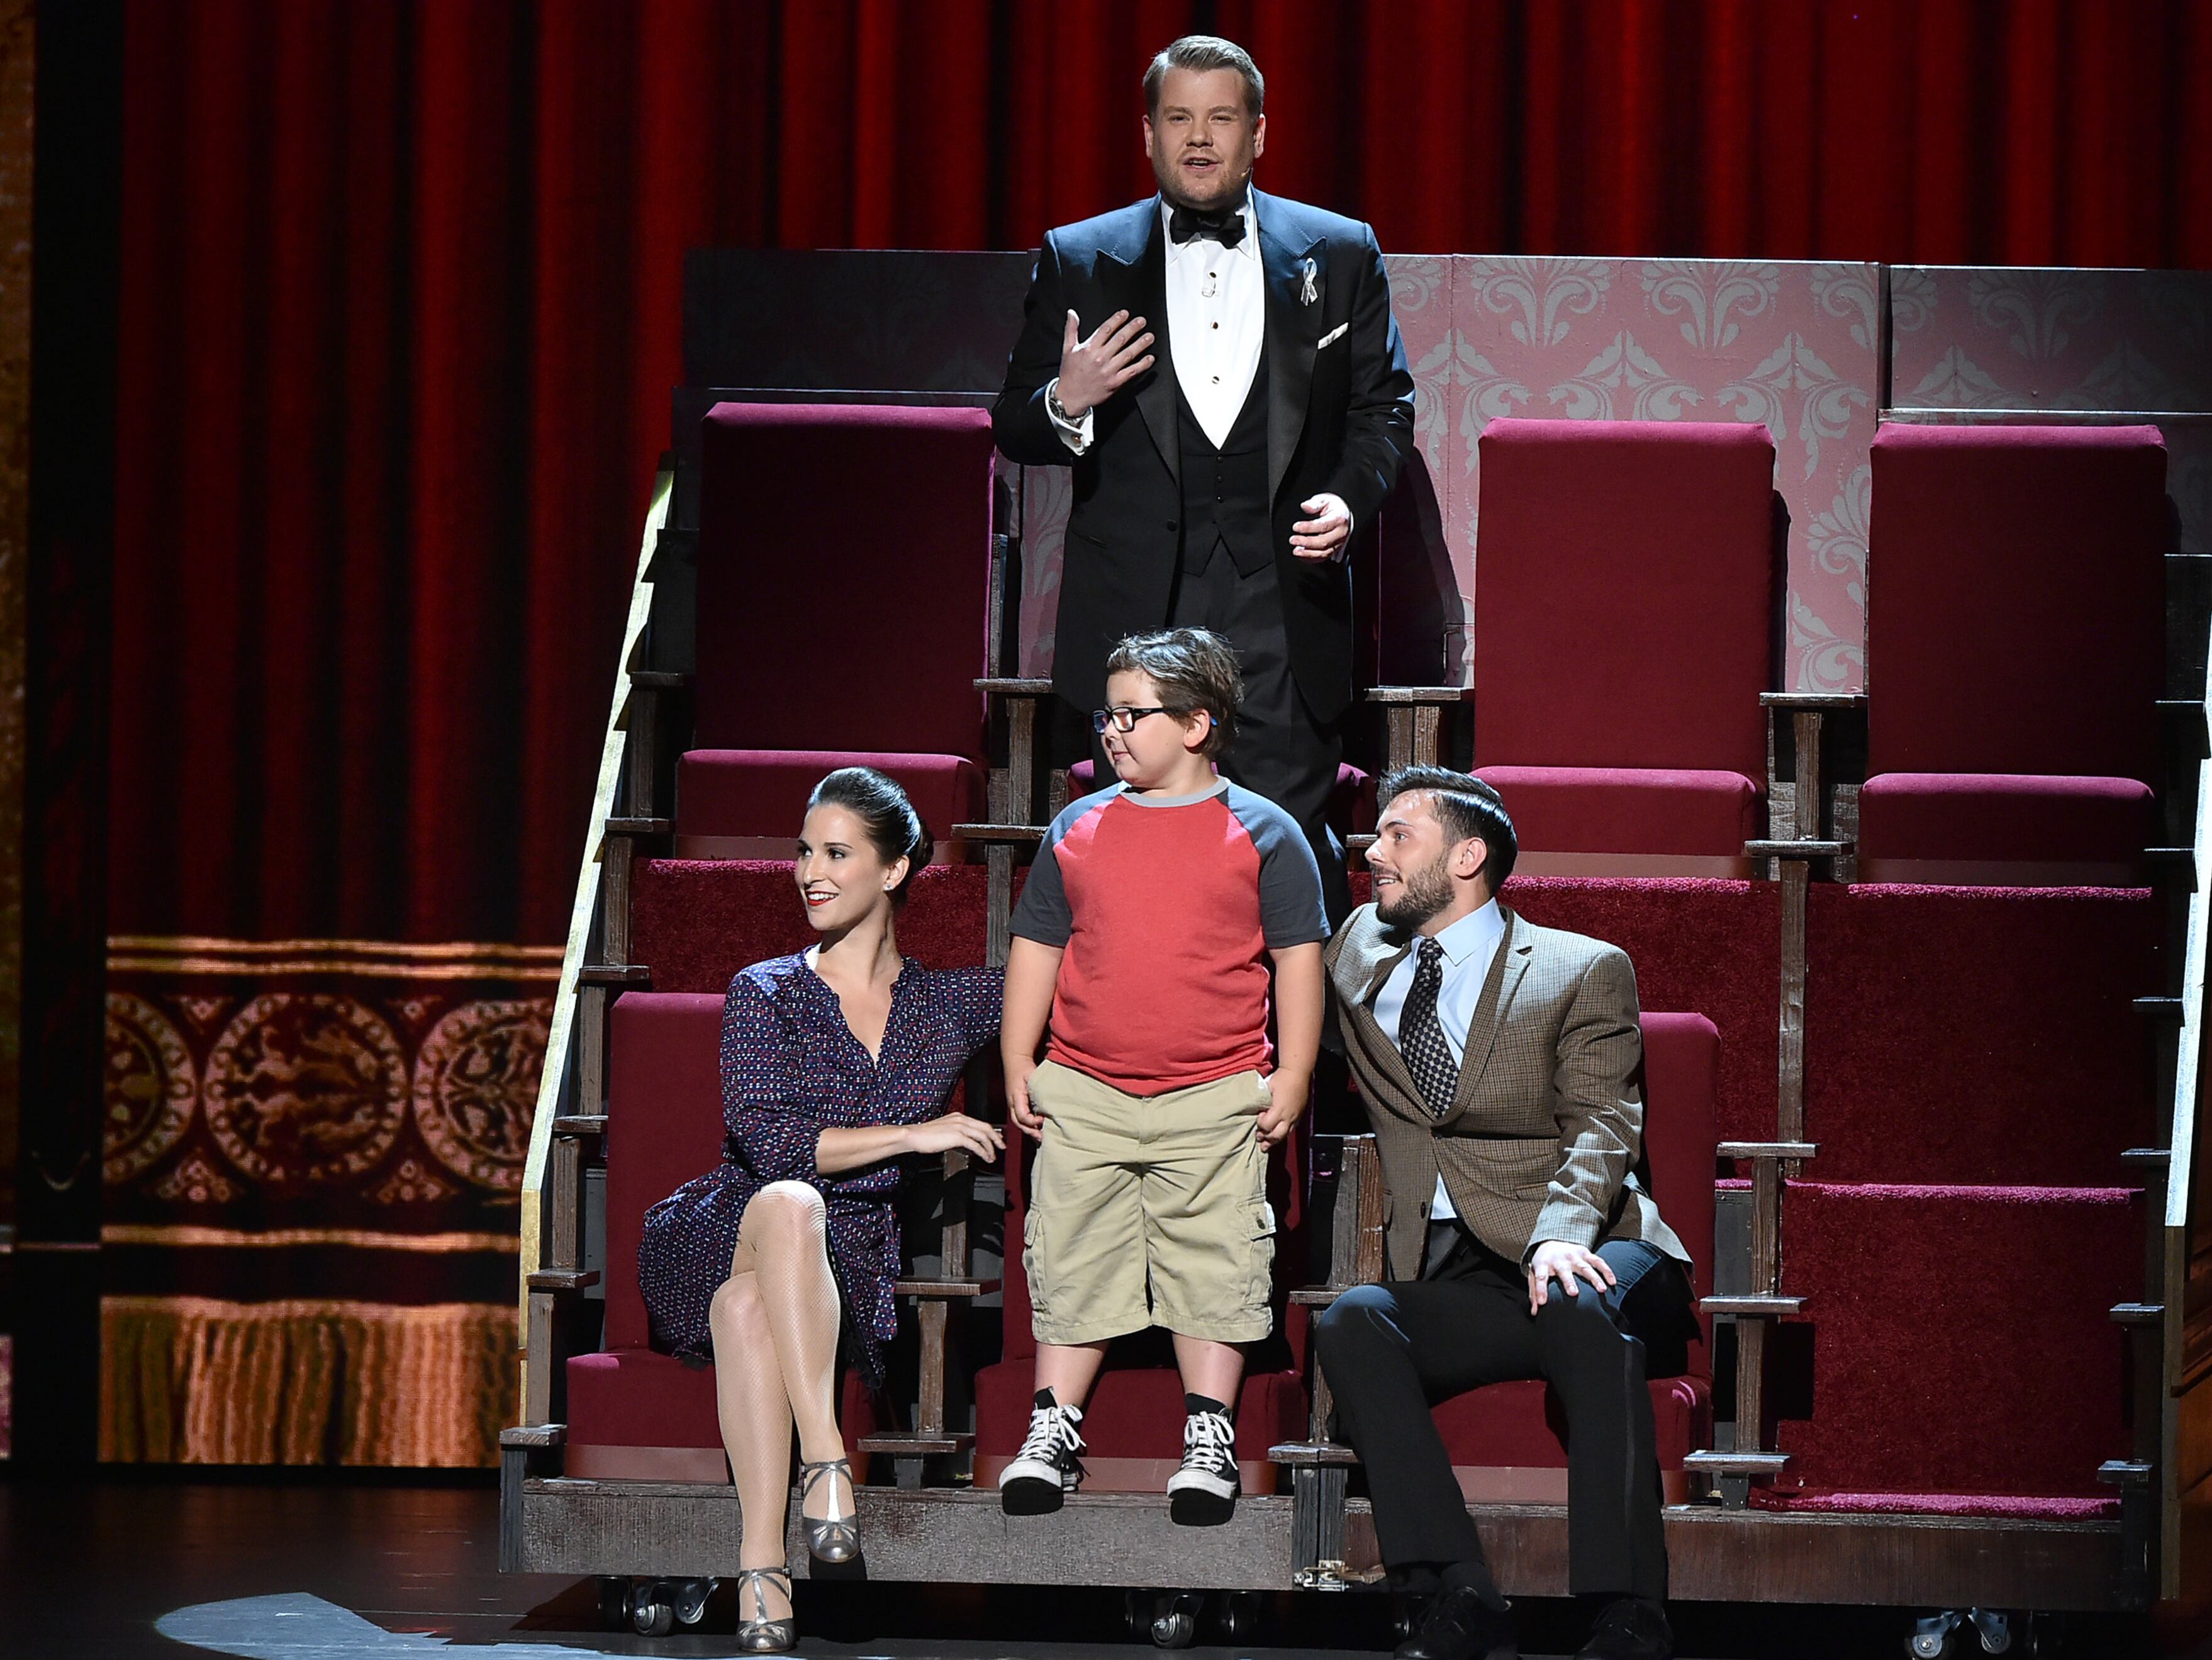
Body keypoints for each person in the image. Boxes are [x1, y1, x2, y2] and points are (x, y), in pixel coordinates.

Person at [991, 32, 1416, 933]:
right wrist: (1067, 399)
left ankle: (1291, 1073)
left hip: (1286, 618)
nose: (1199, 138)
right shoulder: (1080, 257)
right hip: (1137, 620)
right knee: (1145, 876)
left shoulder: (1339, 253)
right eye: (1178, 118)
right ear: (1147, 133)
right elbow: (1015, 423)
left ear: (1257, 133)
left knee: (1287, 875)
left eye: (1221, 118)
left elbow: (1384, 412)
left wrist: (1347, 497)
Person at [1316, 768, 1699, 1660]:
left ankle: (1629, 1605)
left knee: (1576, 1302)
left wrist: (1562, 1232)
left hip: (1597, 1242)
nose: (1371, 852)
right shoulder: (1358, 954)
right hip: (1467, 1271)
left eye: (1398, 835)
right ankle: (1460, 1590)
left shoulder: (1580, 967)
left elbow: (1605, 1122)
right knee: (1354, 1321)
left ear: (1468, 855)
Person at [635, 768, 1005, 1653]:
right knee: (791, 1202)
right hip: (730, 1224)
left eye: (836, 852)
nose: (809, 871)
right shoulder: (765, 988)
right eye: (805, 851)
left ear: (896, 868)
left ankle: (760, 1565)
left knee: (749, 1309)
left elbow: (1067, 977)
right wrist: (917, 1136)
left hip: (848, 1260)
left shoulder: (946, 1004)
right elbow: (777, 1147)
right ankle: (827, 1460)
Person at [996, 627, 1327, 1526]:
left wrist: (1293, 1070)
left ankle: (1209, 1435)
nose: (1111, 730)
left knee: (1214, 1256)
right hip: (1089, 1086)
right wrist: (1017, 1056)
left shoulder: (1263, 829)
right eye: (1108, 713)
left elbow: (1299, 958)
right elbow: (1038, 945)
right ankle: (1052, 1424)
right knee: (1071, 1248)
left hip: (1214, 1090)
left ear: (1197, 724)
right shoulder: (1079, 824)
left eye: (1132, 714)